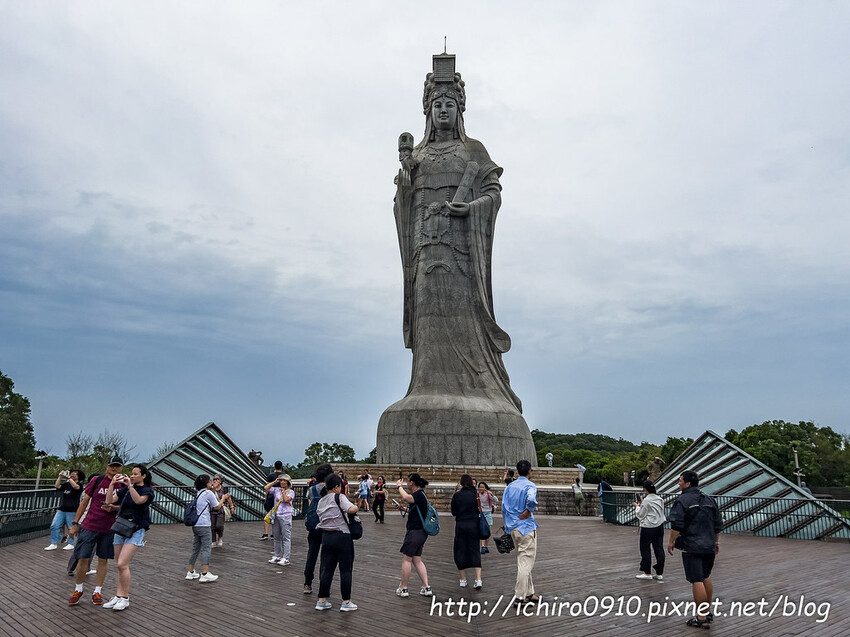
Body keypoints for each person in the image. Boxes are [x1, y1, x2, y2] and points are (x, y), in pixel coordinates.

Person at [667, 470, 722, 629]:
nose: (679, 483)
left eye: (680, 480)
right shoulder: (709, 499)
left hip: (692, 545)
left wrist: (671, 542)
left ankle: (701, 617)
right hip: (709, 545)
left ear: (687, 483)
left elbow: (677, 524)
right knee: (705, 576)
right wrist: (716, 543)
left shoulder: (682, 500)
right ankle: (707, 611)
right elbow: (718, 524)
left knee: (696, 579)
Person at [67, 456, 124, 606]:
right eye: (112, 466)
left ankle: (97, 591)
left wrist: (114, 508)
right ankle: (78, 588)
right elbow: (84, 501)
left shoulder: (123, 484)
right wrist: (75, 523)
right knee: (83, 558)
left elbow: (126, 505)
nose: (114, 469)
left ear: (122, 468)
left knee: (103, 559)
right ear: (107, 466)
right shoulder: (97, 481)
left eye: (117, 466)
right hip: (90, 525)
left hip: (109, 528)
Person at [101, 464, 154, 611]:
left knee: (122, 564)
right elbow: (109, 500)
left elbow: (138, 501)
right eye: (131, 473)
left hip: (136, 528)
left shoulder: (147, 491)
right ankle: (118, 595)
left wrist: (130, 486)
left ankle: (125, 597)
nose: (132, 476)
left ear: (143, 476)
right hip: (121, 527)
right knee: (119, 564)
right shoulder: (125, 489)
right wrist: (112, 484)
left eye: (136, 474)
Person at [314, 473, 359, 611]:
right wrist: (356, 507)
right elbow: (351, 509)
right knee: (345, 570)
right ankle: (346, 602)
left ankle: (322, 600)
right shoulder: (339, 497)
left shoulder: (321, 501)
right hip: (342, 536)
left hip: (326, 537)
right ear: (336, 487)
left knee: (327, 569)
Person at [502, 460, 539, 608]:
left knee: (522, 559)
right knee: (526, 562)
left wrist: (508, 525)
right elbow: (531, 499)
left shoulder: (510, 486)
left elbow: (504, 507)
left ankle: (529, 592)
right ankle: (519, 596)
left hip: (513, 528)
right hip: (526, 528)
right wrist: (528, 510)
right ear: (529, 471)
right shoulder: (530, 485)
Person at [395, 473, 432, 598]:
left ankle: (403, 587)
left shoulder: (418, 495)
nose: (406, 484)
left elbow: (406, 497)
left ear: (412, 483)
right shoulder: (421, 495)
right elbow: (415, 510)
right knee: (417, 560)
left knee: (407, 559)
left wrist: (399, 487)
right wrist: (403, 509)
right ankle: (426, 587)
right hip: (421, 532)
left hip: (415, 531)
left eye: (407, 482)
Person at [303, 463, 334, 595]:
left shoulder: (313, 489)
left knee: (312, 554)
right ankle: (324, 584)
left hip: (313, 525)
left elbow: (310, 503)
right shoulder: (330, 489)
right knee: (326, 557)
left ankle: (307, 583)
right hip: (327, 525)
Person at [186, 474, 222, 582]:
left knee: (196, 548)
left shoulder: (199, 493)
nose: (211, 483)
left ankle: (191, 571)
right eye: (210, 481)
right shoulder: (208, 493)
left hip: (196, 524)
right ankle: (205, 573)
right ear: (206, 483)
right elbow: (217, 506)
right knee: (206, 548)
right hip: (204, 524)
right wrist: (223, 498)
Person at [451, 474, 482, 590]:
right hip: (474, 525)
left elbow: (454, 512)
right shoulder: (476, 495)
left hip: (461, 525)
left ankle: (463, 579)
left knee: (460, 550)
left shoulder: (457, 496)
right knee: (475, 549)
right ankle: (478, 579)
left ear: (461, 483)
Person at [634, 480, 665, 581]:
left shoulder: (646, 501)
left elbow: (641, 515)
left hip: (648, 528)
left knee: (645, 549)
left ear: (645, 489)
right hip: (659, 526)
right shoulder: (660, 499)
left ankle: (647, 573)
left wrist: (637, 507)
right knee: (659, 549)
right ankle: (659, 573)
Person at [46, 469, 85, 551]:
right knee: (54, 525)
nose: (73, 475)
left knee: (71, 527)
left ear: (78, 476)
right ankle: (54, 543)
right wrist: (60, 476)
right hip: (62, 509)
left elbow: (75, 487)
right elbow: (57, 486)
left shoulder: (79, 485)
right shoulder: (67, 484)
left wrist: (69, 478)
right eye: (72, 473)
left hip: (72, 510)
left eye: (75, 474)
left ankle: (71, 543)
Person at [265, 473, 294, 565]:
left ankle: (286, 557)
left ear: (288, 482)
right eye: (281, 480)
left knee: (286, 537)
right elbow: (266, 488)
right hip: (276, 515)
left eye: (284, 480)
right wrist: (274, 482)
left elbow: (286, 500)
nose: (282, 482)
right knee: (277, 537)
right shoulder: (276, 489)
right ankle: (277, 555)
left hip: (286, 516)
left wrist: (283, 492)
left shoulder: (291, 492)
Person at [261, 461, 284, 540]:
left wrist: (266, 497)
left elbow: (267, 487)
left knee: (268, 514)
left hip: (271, 496)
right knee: (279, 515)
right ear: (281, 467)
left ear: (274, 467)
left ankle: (266, 533)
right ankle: (275, 533)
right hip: (281, 497)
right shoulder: (284, 476)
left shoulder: (271, 476)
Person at [210, 475, 234, 547]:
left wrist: (231, 506)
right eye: (214, 479)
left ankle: (220, 537)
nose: (214, 480)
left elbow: (228, 498)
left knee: (219, 525)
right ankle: (213, 541)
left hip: (221, 510)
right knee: (212, 526)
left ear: (221, 481)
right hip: (212, 510)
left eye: (217, 479)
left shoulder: (224, 489)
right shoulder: (211, 489)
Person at [478, 481, 498, 554]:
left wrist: (491, 494)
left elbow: (496, 500)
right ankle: (483, 546)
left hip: (488, 513)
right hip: (481, 513)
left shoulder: (488, 495)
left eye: (483, 487)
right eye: (480, 487)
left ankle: (486, 546)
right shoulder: (477, 495)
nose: (481, 488)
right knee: (482, 529)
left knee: (487, 530)